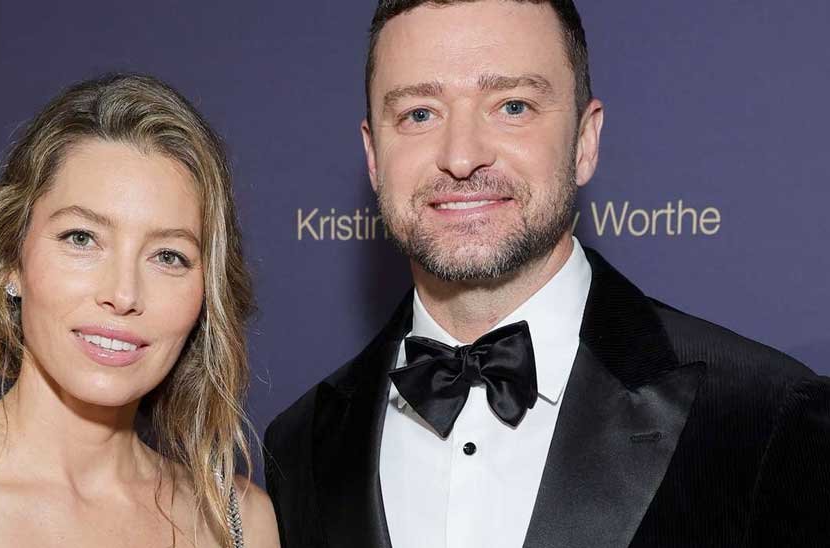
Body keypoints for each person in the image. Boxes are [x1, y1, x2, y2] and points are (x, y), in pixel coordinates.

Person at [263, 1, 830, 547]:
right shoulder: (300, 445)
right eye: (419, 114)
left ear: (585, 141)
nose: (461, 157)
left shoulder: (768, 417)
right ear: (373, 156)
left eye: (512, 106)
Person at [0, 73, 280, 548]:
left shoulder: (240, 522)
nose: (123, 293)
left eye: (168, 256)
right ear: (10, 261)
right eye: (82, 238)